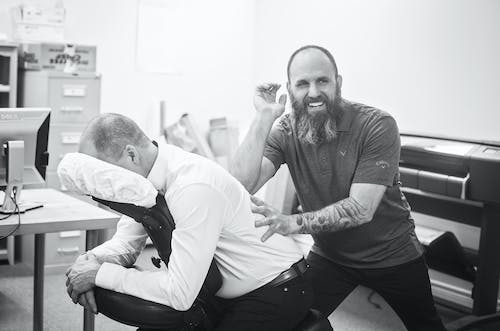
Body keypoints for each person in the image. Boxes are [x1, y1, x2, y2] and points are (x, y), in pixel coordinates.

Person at [229, 45, 446, 331]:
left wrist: (292, 223)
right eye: (303, 84)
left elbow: (360, 209)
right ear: (291, 90)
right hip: (331, 256)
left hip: (392, 254)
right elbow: (241, 184)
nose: (314, 92)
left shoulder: (376, 125)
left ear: (338, 83)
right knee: (298, 320)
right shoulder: (285, 130)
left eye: (322, 81)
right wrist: (263, 116)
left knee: (427, 327)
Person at [65, 113, 314, 331]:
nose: (103, 183)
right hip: (215, 290)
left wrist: (100, 274)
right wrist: (89, 263)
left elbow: (179, 293)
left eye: (102, 173)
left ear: (131, 154)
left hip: (276, 289)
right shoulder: (141, 184)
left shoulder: (192, 187)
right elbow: (126, 245)